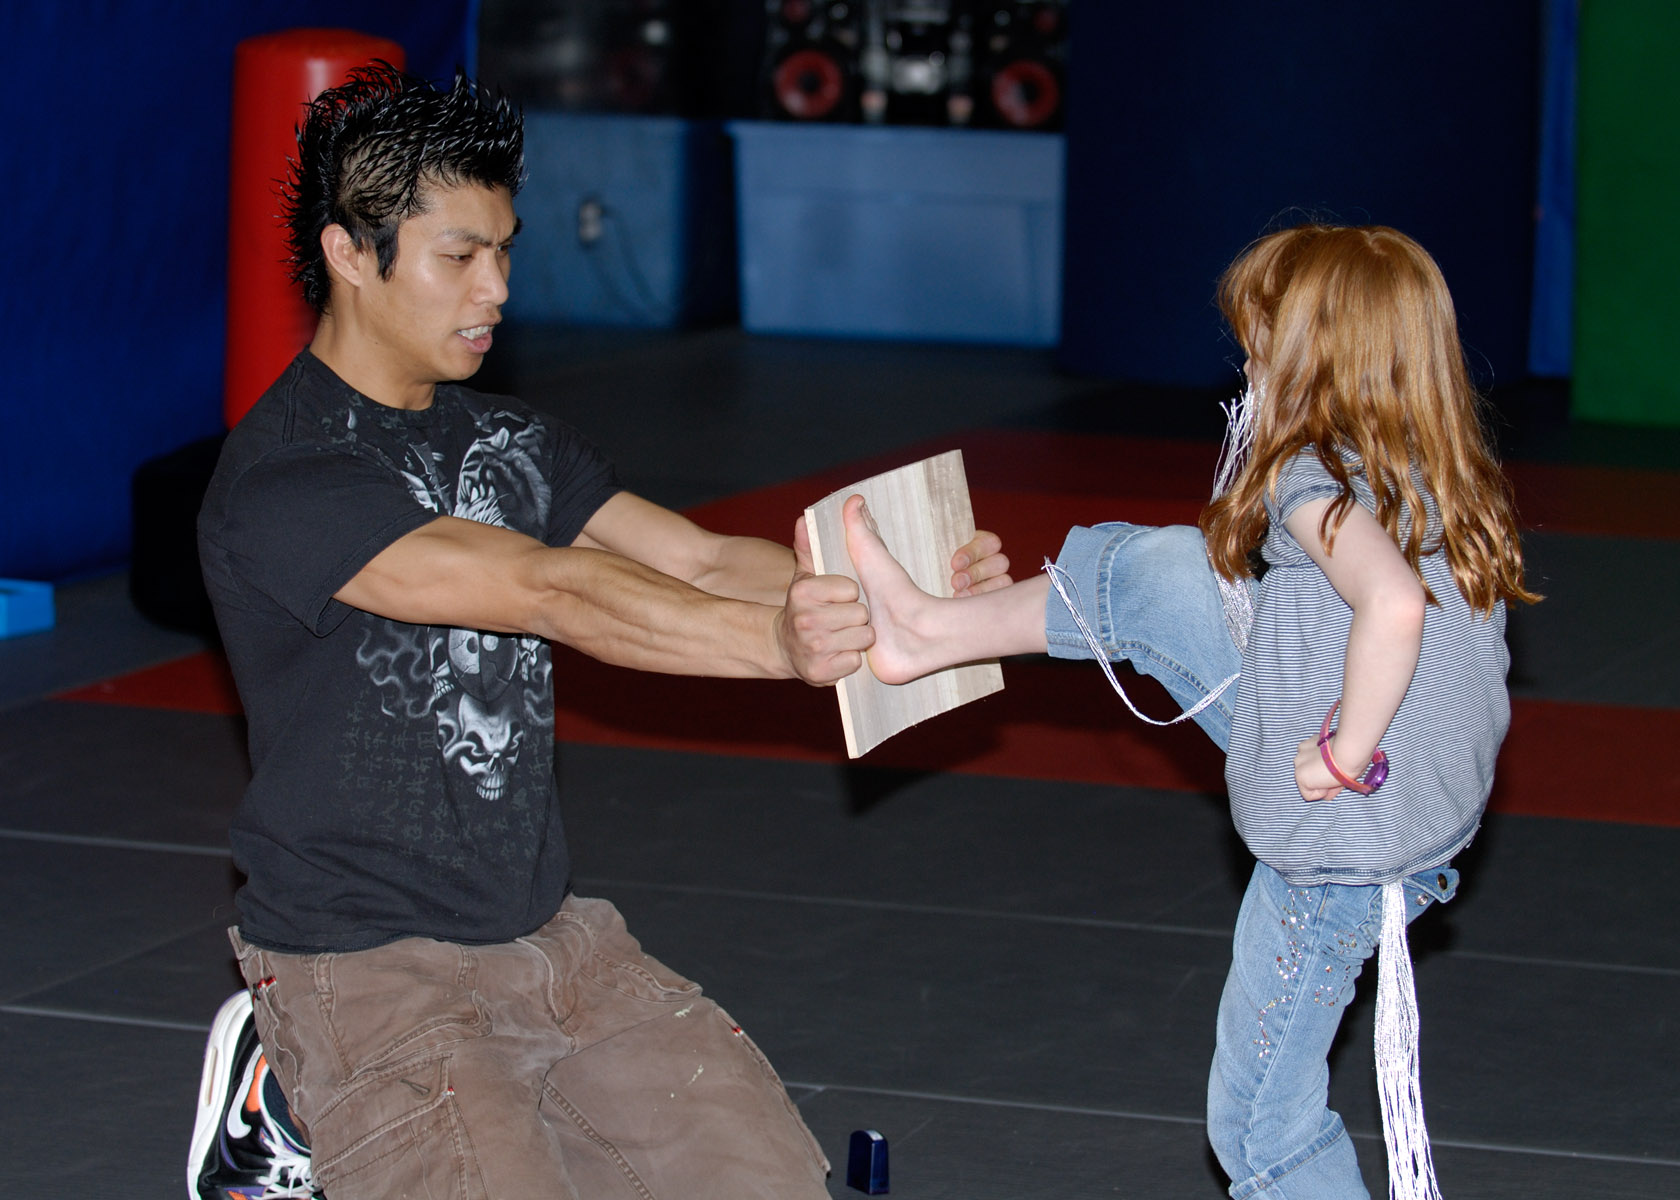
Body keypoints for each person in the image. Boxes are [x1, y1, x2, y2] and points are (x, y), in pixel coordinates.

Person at [186, 62, 1010, 1200]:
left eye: (505, 251)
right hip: (366, 965)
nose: (497, 288)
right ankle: (286, 1097)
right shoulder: (287, 479)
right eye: (459, 256)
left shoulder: (516, 441)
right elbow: (548, 590)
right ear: (349, 253)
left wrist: (907, 598)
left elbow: (701, 559)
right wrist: (779, 647)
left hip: (553, 941)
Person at [838, 224, 1538, 1199]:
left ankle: (928, 632)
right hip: (1419, 801)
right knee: (1163, 578)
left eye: (1258, 353)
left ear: (1310, 366)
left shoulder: (1311, 478)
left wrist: (1343, 752)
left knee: (1260, 1129)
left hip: (1341, 835)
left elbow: (1394, 604)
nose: (1246, 373)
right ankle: (927, 632)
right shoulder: (1438, 474)